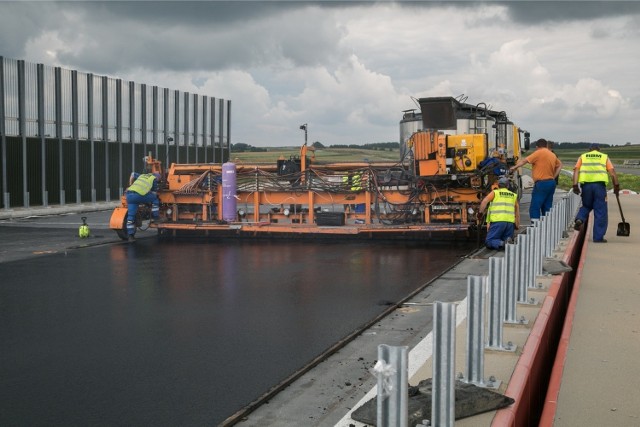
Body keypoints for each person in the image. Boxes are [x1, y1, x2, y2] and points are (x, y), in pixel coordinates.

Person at [572, 143, 620, 243]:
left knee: (586, 205)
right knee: (600, 210)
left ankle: (580, 219)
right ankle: (598, 238)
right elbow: (612, 172)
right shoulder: (604, 157)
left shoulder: (583, 156)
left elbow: (576, 170)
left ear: (589, 150)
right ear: (599, 149)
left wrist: (575, 185)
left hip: (586, 186)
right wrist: (616, 186)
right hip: (599, 187)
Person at [509, 138, 562, 220]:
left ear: (537, 147)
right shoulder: (552, 154)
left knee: (535, 206)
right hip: (551, 183)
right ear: (546, 145)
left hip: (541, 184)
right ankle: (546, 225)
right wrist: (553, 176)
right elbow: (560, 165)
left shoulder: (538, 153)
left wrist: (514, 168)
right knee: (547, 206)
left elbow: (524, 161)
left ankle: (535, 227)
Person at [478, 176, 520, 250]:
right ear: (508, 185)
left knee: (489, 241)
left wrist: (480, 213)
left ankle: (503, 243)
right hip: (510, 224)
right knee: (505, 240)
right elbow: (517, 211)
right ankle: (506, 242)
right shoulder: (513, 195)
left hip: (498, 222)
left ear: (498, 185)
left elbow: (484, 201)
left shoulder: (495, 193)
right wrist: (517, 224)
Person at [125, 171, 162, 241]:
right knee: (155, 199)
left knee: (130, 217)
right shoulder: (154, 179)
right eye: (159, 180)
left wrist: (130, 185)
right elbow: (154, 193)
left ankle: (130, 236)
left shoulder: (142, 175)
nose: (158, 181)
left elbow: (132, 173)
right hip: (139, 195)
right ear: (157, 177)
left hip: (129, 195)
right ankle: (156, 218)